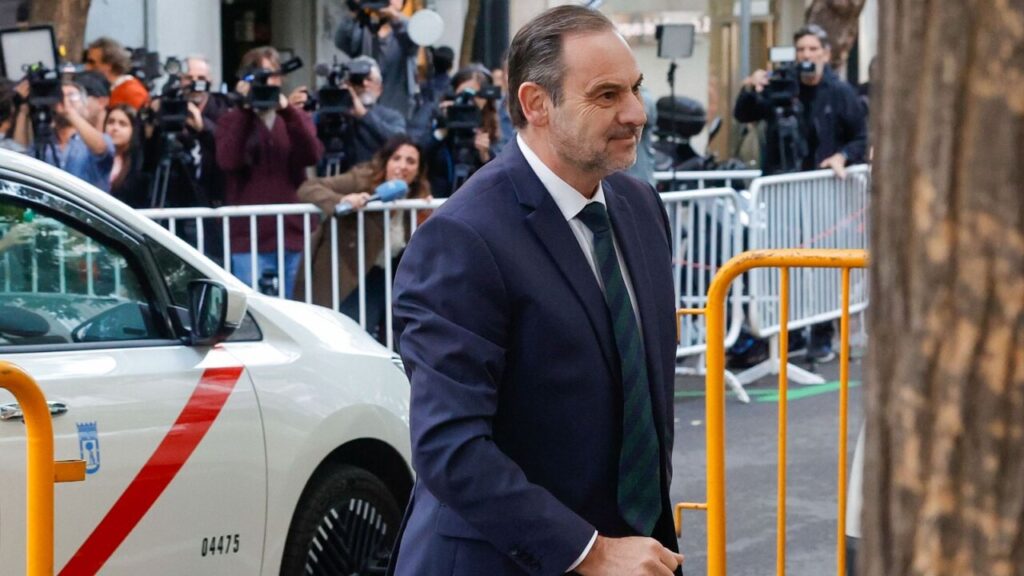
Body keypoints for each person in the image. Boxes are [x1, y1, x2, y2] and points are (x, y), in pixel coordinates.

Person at [388, 6, 684, 576]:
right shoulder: (463, 238)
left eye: (636, 89)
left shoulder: (641, 208)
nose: (636, 113)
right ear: (536, 104)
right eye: (606, 95)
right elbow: (451, 448)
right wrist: (589, 551)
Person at [294, 135, 430, 340]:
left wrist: (425, 212)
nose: (402, 166)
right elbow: (308, 188)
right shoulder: (362, 179)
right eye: (396, 158)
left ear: (418, 171)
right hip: (348, 271)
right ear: (386, 162)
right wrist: (342, 200)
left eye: (410, 161)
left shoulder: (417, 195)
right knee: (350, 335)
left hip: (386, 276)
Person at [216, 46, 323, 298]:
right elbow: (228, 161)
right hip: (249, 237)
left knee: (298, 311)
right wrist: (245, 110)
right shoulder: (231, 119)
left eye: (272, 76)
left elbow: (312, 155)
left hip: (293, 233)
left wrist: (287, 111)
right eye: (260, 77)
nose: (267, 82)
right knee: (255, 312)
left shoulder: (295, 117)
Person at [733, 24, 866, 177]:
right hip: (780, 181)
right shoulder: (781, 86)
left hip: (823, 182)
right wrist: (749, 89)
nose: (806, 55)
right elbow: (743, 115)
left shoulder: (840, 92)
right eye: (800, 50)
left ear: (826, 54)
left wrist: (842, 156)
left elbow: (861, 138)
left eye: (813, 49)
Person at [14, 80, 116, 192]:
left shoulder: (94, 139)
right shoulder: (44, 141)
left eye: (72, 95)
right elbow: (19, 153)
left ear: (84, 105)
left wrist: (69, 112)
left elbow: (101, 148)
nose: (65, 100)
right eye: (60, 96)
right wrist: (23, 110)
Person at [421, 67, 501, 198]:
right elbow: (420, 156)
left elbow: (497, 178)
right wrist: (441, 130)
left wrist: (485, 156)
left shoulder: (489, 129)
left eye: (476, 95)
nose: (469, 100)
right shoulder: (437, 118)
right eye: (463, 93)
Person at [335, 0, 419, 119]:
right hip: (363, 106)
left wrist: (395, 19)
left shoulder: (407, 28)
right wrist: (354, 10)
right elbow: (341, 42)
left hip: (397, 105)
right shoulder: (363, 27)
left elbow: (412, 44)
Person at [85, 37, 149, 111]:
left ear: (108, 65)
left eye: (92, 62)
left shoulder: (132, 91)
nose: (87, 67)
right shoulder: (113, 89)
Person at [104, 104, 149, 206]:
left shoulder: (139, 161)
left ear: (133, 129)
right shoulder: (96, 156)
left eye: (122, 124)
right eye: (110, 122)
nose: (115, 128)